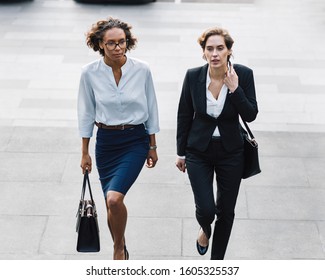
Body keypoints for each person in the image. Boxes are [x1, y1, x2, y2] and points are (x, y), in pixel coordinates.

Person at [77, 17, 159, 260]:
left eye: (121, 42)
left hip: (135, 140)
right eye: (111, 43)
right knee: (109, 202)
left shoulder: (142, 69)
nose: (117, 47)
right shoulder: (89, 73)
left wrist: (152, 145)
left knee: (114, 199)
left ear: (128, 42)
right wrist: (85, 151)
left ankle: (118, 248)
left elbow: (152, 107)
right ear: (100, 44)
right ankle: (121, 243)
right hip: (106, 143)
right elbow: (86, 113)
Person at [175, 27, 258, 260]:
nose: (215, 53)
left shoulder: (243, 74)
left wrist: (235, 88)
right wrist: (180, 153)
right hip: (198, 151)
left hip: (231, 152)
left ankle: (216, 263)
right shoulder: (193, 76)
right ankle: (205, 228)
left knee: (226, 212)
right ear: (203, 53)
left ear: (229, 51)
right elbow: (184, 115)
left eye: (220, 48)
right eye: (209, 49)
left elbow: (251, 114)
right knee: (207, 209)